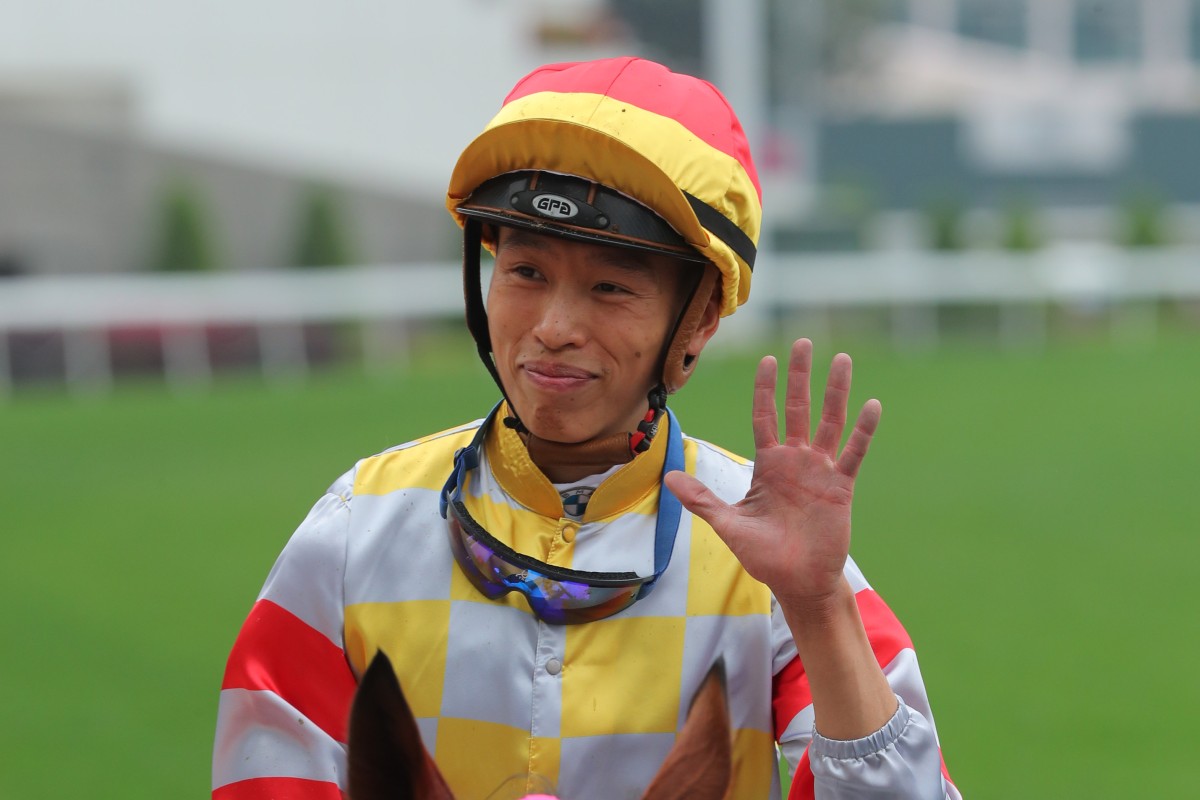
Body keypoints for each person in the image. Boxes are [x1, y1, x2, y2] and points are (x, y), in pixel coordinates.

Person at [212, 56, 961, 800]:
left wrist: (819, 609)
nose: (554, 328)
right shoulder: (353, 532)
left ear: (699, 319)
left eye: (610, 288)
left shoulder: (773, 566)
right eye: (525, 273)